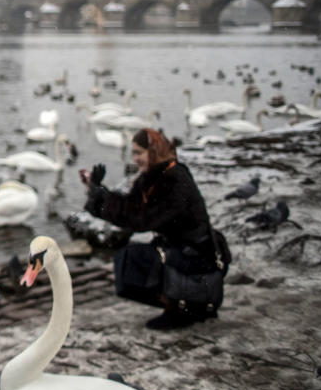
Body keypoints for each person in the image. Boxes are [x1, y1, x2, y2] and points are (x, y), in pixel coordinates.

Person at [79, 127, 225, 330]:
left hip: (197, 254)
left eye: (140, 153)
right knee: (127, 259)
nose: (136, 159)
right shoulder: (156, 176)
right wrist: (97, 190)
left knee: (132, 260)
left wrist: (100, 198)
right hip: (181, 249)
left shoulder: (175, 179)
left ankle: (186, 307)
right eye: (134, 153)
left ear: (154, 151)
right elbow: (129, 207)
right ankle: (180, 303)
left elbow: (140, 220)